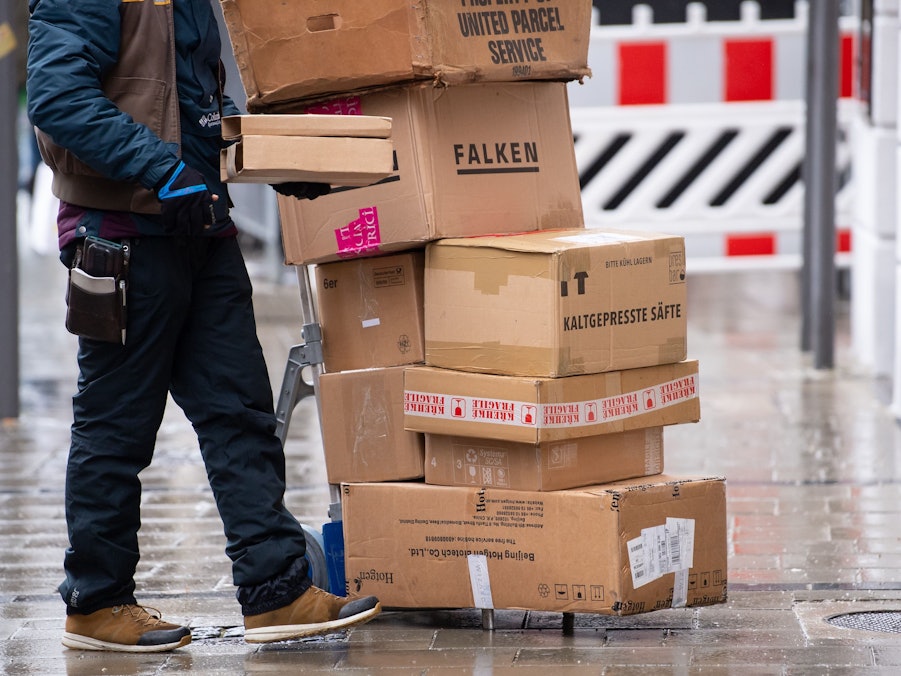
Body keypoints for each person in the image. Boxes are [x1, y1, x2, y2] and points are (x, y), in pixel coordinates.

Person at [26, 0, 378, 653]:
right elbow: (58, 98)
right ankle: (96, 603)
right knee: (116, 427)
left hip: (202, 231)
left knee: (238, 411)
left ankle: (277, 593)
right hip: (125, 236)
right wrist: (161, 169)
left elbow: (189, 106)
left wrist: (276, 162)